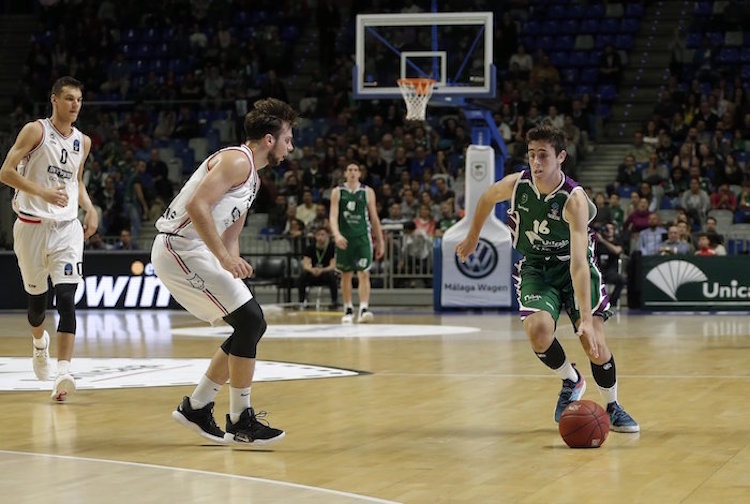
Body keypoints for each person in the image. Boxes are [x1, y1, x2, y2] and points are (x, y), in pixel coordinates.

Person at [456, 125, 639, 433]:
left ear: (560, 157)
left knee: (592, 342)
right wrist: (473, 236)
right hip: (537, 267)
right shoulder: (517, 185)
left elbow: (580, 264)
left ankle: (613, 405)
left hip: (573, 266)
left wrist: (583, 317)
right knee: (539, 331)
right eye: (531, 155)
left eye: (543, 155)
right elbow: (487, 197)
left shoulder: (573, 199)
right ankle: (572, 380)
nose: (536, 162)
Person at [151, 98, 297, 446]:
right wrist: (223, 258)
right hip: (178, 247)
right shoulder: (235, 160)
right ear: (268, 139)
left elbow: (231, 233)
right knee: (251, 322)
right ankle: (239, 420)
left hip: (198, 251)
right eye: (288, 138)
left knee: (249, 324)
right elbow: (196, 205)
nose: (291, 147)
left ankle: (198, 405)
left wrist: (234, 264)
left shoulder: (254, 180)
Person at [0, 76, 98, 401]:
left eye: (79, 100)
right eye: (69, 99)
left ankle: (64, 372)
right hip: (30, 226)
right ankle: (39, 343)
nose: (75, 106)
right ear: (54, 100)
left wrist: (90, 208)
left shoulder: (82, 141)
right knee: (36, 308)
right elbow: (6, 172)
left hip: (67, 228)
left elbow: (77, 182)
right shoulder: (35, 131)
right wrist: (42, 191)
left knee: (67, 298)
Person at [329, 163, 385, 324]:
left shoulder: (367, 192)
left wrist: (380, 241)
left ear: (360, 173)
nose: (353, 172)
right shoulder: (337, 192)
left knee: (364, 273)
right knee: (346, 274)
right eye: (350, 170)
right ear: (345, 173)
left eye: (355, 170)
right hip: (344, 238)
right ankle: (348, 308)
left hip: (362, 238)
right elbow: (332, 217)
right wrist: (337, 235)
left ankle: (364, 308)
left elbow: (374, 219)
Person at [298, 227, 338, 309]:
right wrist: (312, 270)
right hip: (313, 273)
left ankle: (334, 302)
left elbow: (332, 266)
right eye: (318, 235)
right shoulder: (310, 248)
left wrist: (321, 270)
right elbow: (306, 264)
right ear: (315, 236)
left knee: (332, 276)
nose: (320, 237)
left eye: (323, 235)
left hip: (325, 273)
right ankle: (301, 302)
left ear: (327, 236)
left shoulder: (331, 248)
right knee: (303, 276)